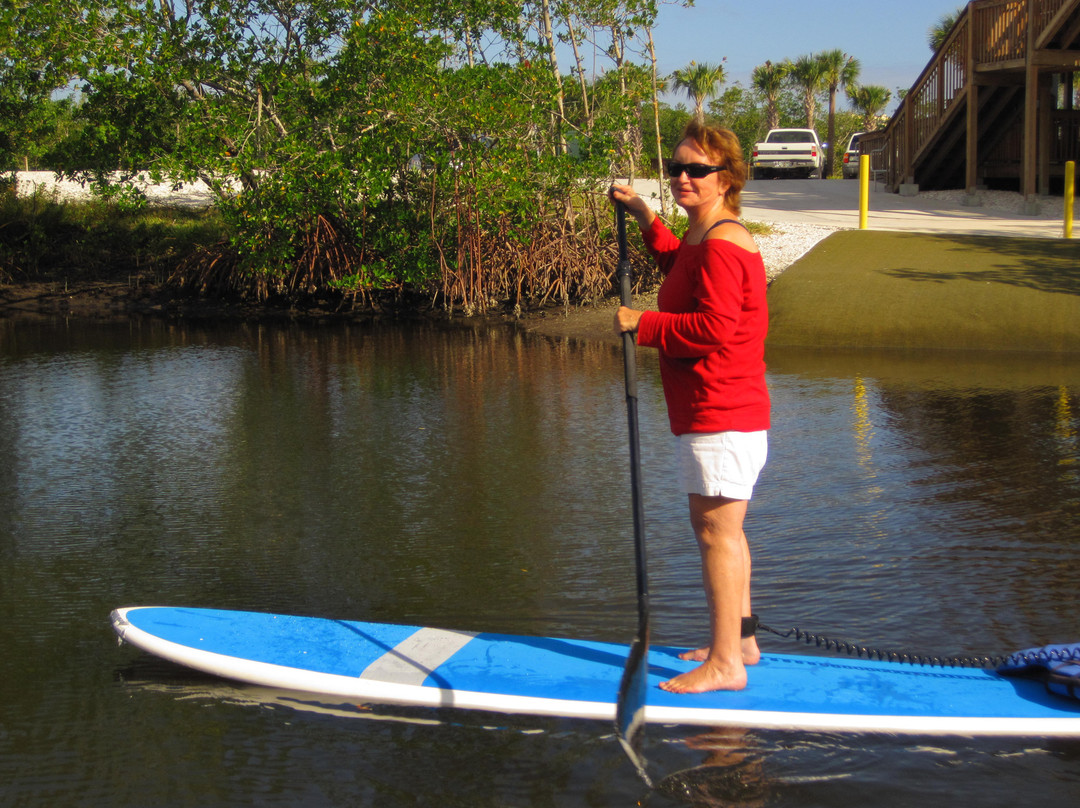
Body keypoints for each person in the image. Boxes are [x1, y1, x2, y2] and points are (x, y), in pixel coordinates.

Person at [609, 121, 769, 694]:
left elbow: (716, 329)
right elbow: (679, 267)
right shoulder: (705, 236)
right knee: (727, 529)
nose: (682, 177)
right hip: (719, 411)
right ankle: (740, 641)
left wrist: (642, 323)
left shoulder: (724, 244)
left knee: (715, 533)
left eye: (697, 170)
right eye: (676, 167)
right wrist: (646, 218)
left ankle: (725, 666)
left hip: (721, 412)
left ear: (725, 178)